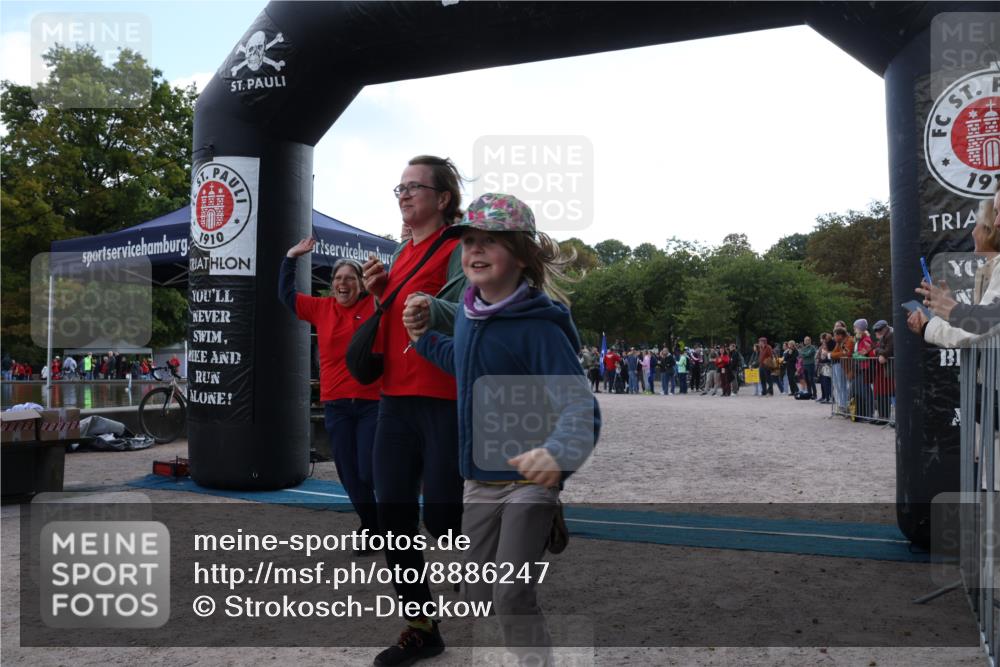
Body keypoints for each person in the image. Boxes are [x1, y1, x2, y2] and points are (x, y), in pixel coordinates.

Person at [405, 193, 598, 667]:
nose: (475, 249)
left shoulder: (540, 328)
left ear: (522, 255)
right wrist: (423, 341)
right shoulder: (468, 314)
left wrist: (557, 455)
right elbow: (464, 362)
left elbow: (580, 406)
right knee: (474, 593)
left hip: (530, 481)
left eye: (490, 241)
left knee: (511, 594)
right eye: (469, 240)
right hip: (478, 481)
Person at [363, 155, 468, 666]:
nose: (403, 195)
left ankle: (530, 517)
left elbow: (472, 310)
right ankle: (422, 625)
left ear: (443, 198)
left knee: (444, 521)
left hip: (444, 398)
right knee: (392, 514)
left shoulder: (460, 247)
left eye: (414, 187)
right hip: (394, 400)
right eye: (399, 188)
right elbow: (394, 319)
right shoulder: (399, 252)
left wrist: (431, 306)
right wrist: (380, 294)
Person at [280, 239, 382, 548]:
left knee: (368, 469)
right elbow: (286, 295)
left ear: (361, 284)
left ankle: (385, 519)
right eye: (338, 278)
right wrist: (291, 257)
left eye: (350, 278)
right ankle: (372, 527)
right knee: (348, 472)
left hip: (372, 402)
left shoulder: (374, 305)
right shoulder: (322, 308)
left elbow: (395, 293)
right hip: (336, 404)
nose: (343, 283)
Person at [909, 188, 1000, 348]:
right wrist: (948, 308)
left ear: (989, 231)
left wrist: (929, 326)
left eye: (977, 225)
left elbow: (981, 327)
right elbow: (980, 322)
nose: (973, 232)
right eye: (996, 213)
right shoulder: (987, 271)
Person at [852, 319, 875, 419]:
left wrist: (855, 355)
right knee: (860, 390)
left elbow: (864, 353)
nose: (854, 329)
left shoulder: (866, 339)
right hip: (860, 367)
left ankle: (869, 413)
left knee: (866, 391)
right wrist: (856, 355)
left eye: (855, 327)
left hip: (865, 367)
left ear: (860, 328)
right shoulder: (860, 339)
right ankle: (863, 413)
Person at [872, 320, 895, 420]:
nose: (878, 332)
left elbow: (887, 351)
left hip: (890, 368)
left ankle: (885, 417)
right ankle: (882, 416)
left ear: (885, 328)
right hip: (885, 368)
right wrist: (879, 352)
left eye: (879, 330)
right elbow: (882, 350)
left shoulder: (891, 335)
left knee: (886, 393)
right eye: (877, 330)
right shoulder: (885, 336)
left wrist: (877, 351)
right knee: (882, 393)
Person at [816, 333, 834, 404]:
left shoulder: (828, 344)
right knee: (823, 382)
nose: (821, 340)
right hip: (822, 364)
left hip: (827, 365)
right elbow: (819, 355)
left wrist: (823, 356)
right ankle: (825, 397)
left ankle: (829, 397)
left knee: (827, 382)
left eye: (822, 338)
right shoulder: (822, 345)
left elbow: (827, 354)